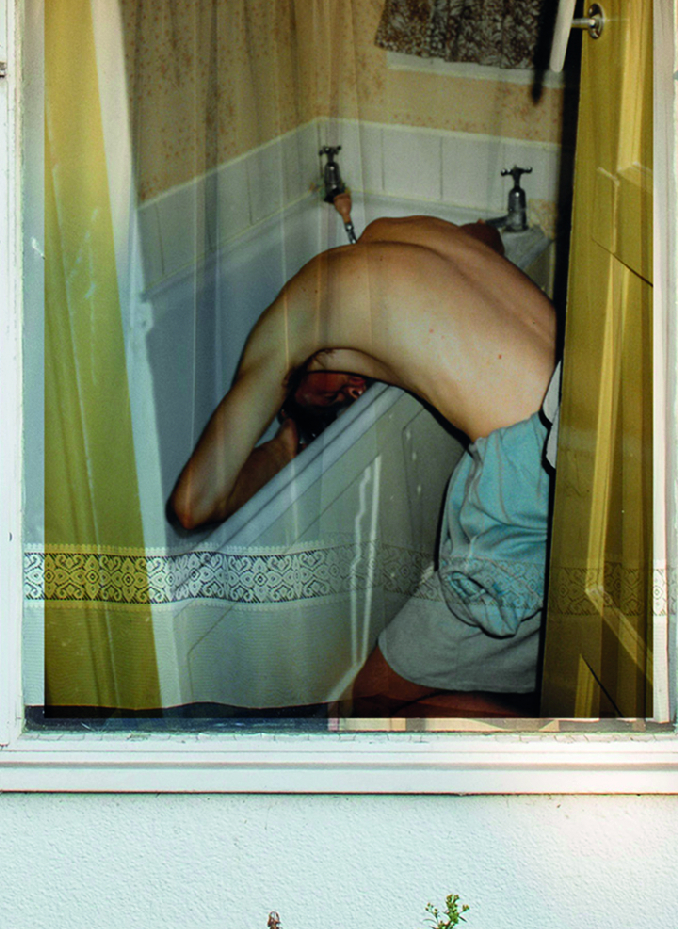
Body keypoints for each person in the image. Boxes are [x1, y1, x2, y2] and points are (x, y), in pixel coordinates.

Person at [169, 211, 558, 717]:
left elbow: (194, 503)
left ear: (289, 380)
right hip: (583, 403)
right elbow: (488, 236)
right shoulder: (393, 229)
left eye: (329, 400)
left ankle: (549, 748)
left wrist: (286, 447)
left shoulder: (289, 324)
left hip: (528, 471)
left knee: (364, 708)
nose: (356, 391)